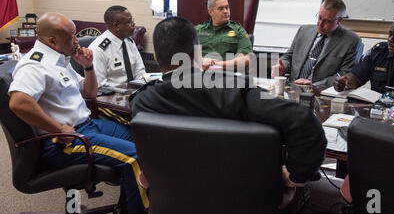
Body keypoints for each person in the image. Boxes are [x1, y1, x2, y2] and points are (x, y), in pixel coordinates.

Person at [130, 17, 327, 187]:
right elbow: (304, 121)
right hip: (243, 195)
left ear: (155, 58)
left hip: (173, 197)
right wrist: (295, 175)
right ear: (199, 53)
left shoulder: (141, 102)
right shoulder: (236, 90)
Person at [8, 12, 148, 214]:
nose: (77, 41)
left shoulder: (59, 60)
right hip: (63, 141)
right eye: (72, 37)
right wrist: (57, 128)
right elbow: (18, 102)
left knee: (145, 143)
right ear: (52, 40)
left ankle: (125, 209)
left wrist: (88, 66)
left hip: (88, 126)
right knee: (135, 159)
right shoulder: (35, 65)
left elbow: (90, 93)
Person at [272, 0, 362, 87]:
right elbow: (288, 57)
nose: (320, 24)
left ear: (339, 20)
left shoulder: (351, 41)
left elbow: (345, 75)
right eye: (319, 17)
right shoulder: (304, 30)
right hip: (291, 87)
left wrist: (314, 85)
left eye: (327, 21)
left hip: (320, 93)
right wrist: (282, 66)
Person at [89, 5, 145, 88]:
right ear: (116, 26)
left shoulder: (129, 41)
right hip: (113, 96)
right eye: (129, 22)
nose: (133, 25)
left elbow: (140, 71)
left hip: (134, 92)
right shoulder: (98, 49)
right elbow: (100, 85)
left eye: (132, 21)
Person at [196, 0, 253, 70]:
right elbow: (185, 52)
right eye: (221, 8)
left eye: (227, 7)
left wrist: (215, 64)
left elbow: (245, 58)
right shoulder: (198, 30)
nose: (225, 11)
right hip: (200, 73)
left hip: (226, 74)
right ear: (210, 12)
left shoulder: (238, 30)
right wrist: (202, 60)